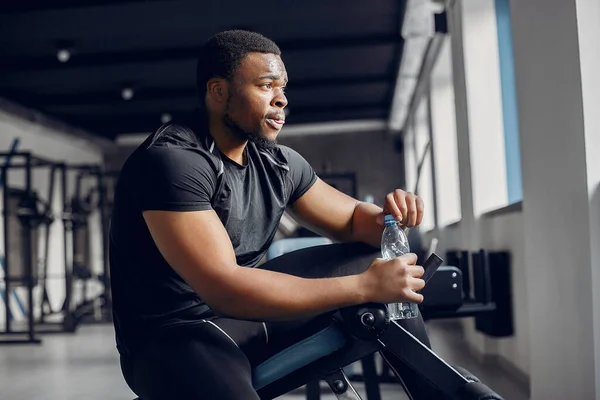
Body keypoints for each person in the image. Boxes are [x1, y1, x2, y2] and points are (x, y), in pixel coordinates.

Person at [110, 30, 437, 399]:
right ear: (218, 92)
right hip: (170, 336)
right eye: (266, 86)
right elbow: (223, 288)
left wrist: (390, 216)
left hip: (243, 317)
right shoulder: (172, 162)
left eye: (282, 87)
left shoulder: (277, 162)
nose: (281, 100)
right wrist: (361, 287)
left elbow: (350, 221)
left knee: (371, 258)